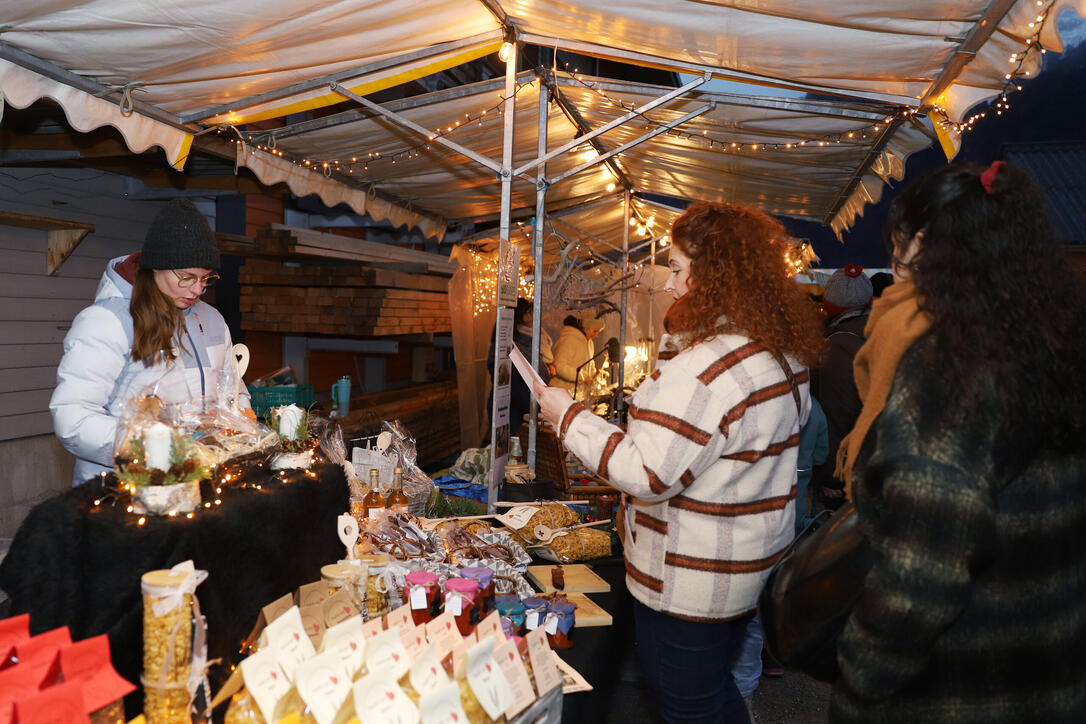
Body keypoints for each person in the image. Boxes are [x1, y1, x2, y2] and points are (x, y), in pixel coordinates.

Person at [535, 201, 824, 723]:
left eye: (677, 269)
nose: (669, 284)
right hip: (741, 570)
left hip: (691, 583)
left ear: (715, 275)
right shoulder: (777, 351)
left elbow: (647, 473)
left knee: (691, 705)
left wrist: (568, 416)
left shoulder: (710, 369)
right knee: (712, 694)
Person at [831, 161, 1086, 723]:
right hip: (1046, 667)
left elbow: (923, 570)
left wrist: (861, 662)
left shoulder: (948, 370)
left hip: (954, 689)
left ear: (926, 245)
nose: (894, 259)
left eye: (901, 240)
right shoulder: (1053, 343)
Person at [51, 199, 249, 487]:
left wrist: (240, 416)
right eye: (186, 277)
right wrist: (153, 448)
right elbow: (73, 419)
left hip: (194, 482)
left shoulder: (212, 320)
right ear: (156, 267)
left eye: (206, 279)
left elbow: (233, 391)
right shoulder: (106, 322)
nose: (197, 289)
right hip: (121, 489)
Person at [810, 264, 872, 508]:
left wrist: (832, 478)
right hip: (879, 465)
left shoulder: (836, 348)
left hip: (849, 477)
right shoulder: (885, 332)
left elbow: (834, 416)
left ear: (830, 305)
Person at [550, 310, 604, 398]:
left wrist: (596, 375)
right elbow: (559, 366)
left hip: (577, 395)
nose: (596, 335)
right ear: (586, 328)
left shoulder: (589, 343)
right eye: (595, 331)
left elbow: (590, 365)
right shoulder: (569, 339)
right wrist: (582, 376)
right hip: (562, 395)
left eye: (598, 331)